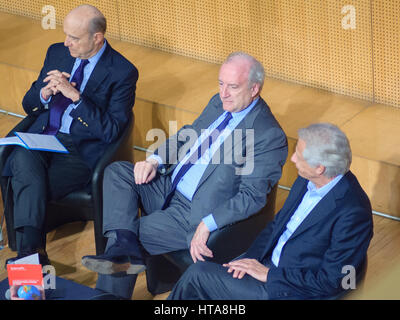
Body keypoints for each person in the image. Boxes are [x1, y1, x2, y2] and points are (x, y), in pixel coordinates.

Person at [81, 52, 288, 299]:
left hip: (192, 212)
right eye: (221, 84)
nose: (224, 93)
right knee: (118, 172)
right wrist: (154, 160)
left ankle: (111, 282)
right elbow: (188, 134)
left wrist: (208, 222)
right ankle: (125, 245)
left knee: (126, 235)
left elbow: (252, 197)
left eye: (232, 87)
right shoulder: (219, 102)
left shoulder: (267, 135)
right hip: (169, 185)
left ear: (254, 89)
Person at [168, 123, 374, 300]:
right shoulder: (306, 179)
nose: (292, 159)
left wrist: (269, 275)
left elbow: (332, 280)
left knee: (198, 275)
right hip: (265, 265)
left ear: (320, 168)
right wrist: (251, 258)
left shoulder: (354, 212)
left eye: (299, 155)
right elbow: (277, 226)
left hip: (287, 289)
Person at [2, 5, 138, 266]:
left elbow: (111, 131)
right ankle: (33, 257)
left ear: (97, 38)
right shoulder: (57, 53)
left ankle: (29, 258)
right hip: (43, 138)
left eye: (74, 38)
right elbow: (28, 104)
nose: (66, 43)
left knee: (27, 180)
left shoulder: (122, 72)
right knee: (22, 157)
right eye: (66, 35)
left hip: (80, 150)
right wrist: (46, 94)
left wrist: (76, 98)